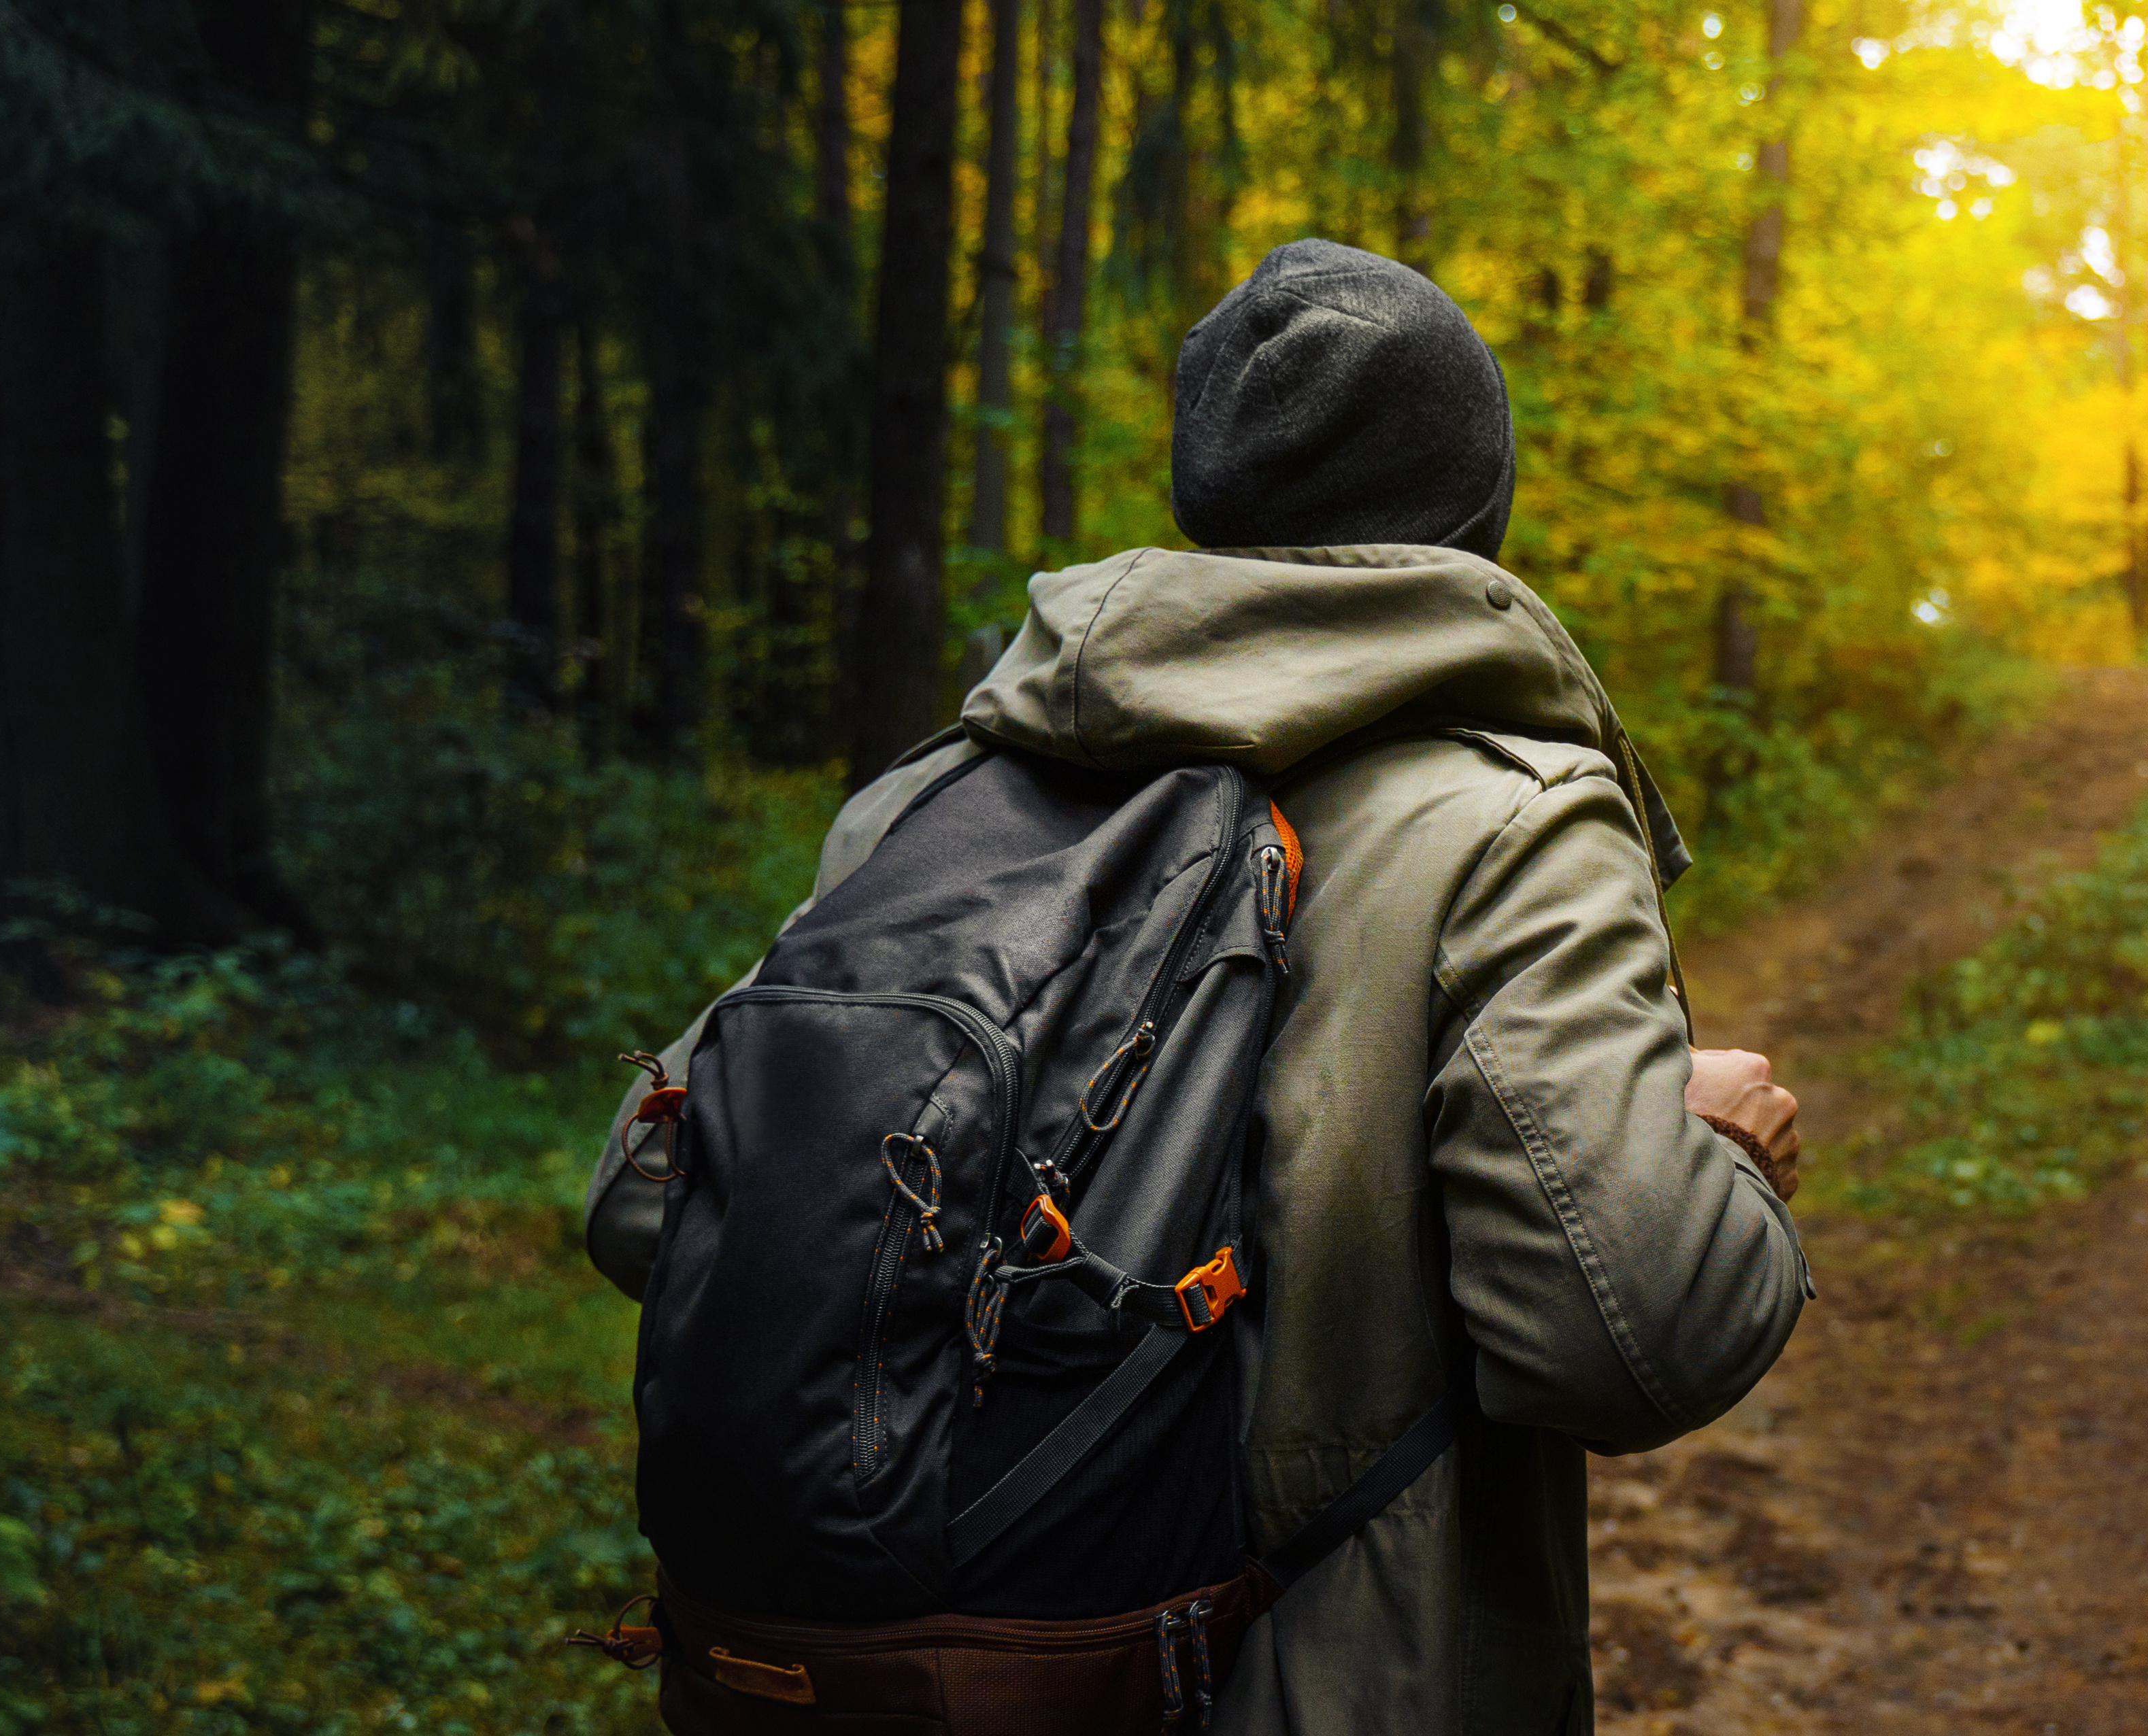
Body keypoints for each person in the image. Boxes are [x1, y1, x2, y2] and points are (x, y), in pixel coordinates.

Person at [584, 238, 1810, 1732]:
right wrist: (1710, 1148)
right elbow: (1630, 1333)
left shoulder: (932, 803)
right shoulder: (1516, 817)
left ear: (1207, 496)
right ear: (1477, 506)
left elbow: (651, 1191)